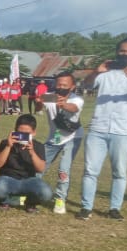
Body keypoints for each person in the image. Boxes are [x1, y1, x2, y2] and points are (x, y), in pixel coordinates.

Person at [76, 38, 127, 221]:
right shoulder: (105, 71)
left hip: (123, 130)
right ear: (117, 51)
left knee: (119, 172)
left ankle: (114, 208)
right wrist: (96, 71)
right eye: (122, 51)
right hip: (98, 128)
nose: (125, 54)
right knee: (90, 170)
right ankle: (86, 207)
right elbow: (86, 85)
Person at [37, 70, 84, 214]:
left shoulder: (76, 99)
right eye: (59, 84)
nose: (61, 87)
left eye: (65, 85)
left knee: (63, 169)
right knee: (38, 166)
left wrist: (63, 105)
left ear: (72, 87)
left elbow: (73, 108)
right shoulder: (49, 96)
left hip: (72, 137)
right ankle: (31, 192)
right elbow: (38, 107)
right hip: (56, 135)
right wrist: (38, 103)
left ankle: (60, 200)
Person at [0, 114, 53, 211]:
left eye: (26, 134)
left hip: (29, 180)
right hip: (8, 179)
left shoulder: (38, 146)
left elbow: (41, 169)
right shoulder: (6, 143)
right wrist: (8, 146)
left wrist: (32, 152)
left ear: (33, 133)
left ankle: (30, 203)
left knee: (46, 193)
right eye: (20, 133)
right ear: (15, 131)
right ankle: (5, 202)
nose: (23, 137)